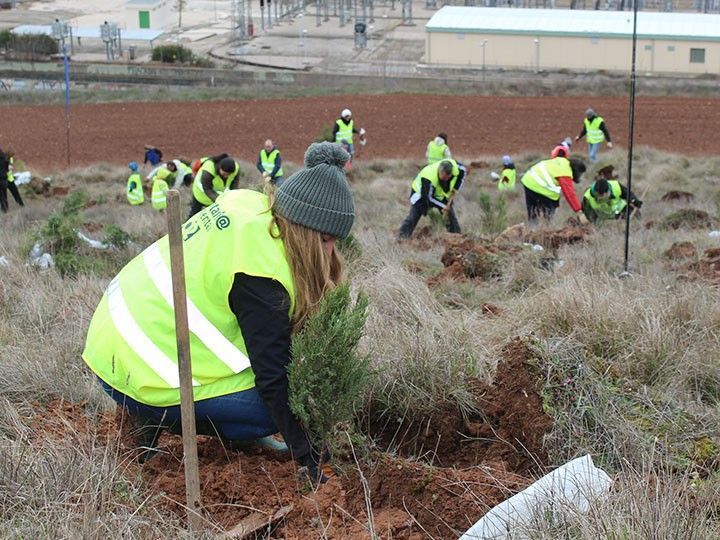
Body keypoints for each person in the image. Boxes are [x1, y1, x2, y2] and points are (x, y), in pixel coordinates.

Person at [81, 142, 354, 485]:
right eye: (328, 241)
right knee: (277, 404)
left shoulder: (249, 206)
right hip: (137, 366)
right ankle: (152, 413)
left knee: (271, 375)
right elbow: (274, 380)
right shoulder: (262, 274)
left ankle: (164, 409)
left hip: (114, 332)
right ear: (308, 231)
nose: (331, 253)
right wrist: (309, 457)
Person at [398, 159, 466, 238]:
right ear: (440, 172)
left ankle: (456, 236)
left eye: (448, 177)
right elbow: (428, 198)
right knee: (414, 216)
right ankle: (402, 237)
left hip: (440, 193)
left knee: (450, 215)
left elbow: (463, 171)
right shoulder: (428, 178)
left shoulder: (456, 168)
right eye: (444, 177)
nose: (446, 179)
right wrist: (444, 206)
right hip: (421, 195)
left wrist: (455, 188)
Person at [520, 155, 587, 224]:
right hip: (538, 186)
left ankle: (532, 230)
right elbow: (569, 194)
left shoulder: (562, 161)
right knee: (548, 214)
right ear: (576, 170)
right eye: (580, 174)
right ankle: (546, 229)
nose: (580, 177)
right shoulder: (565, 172)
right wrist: (579, 211)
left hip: (528, 181)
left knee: (532, 212)